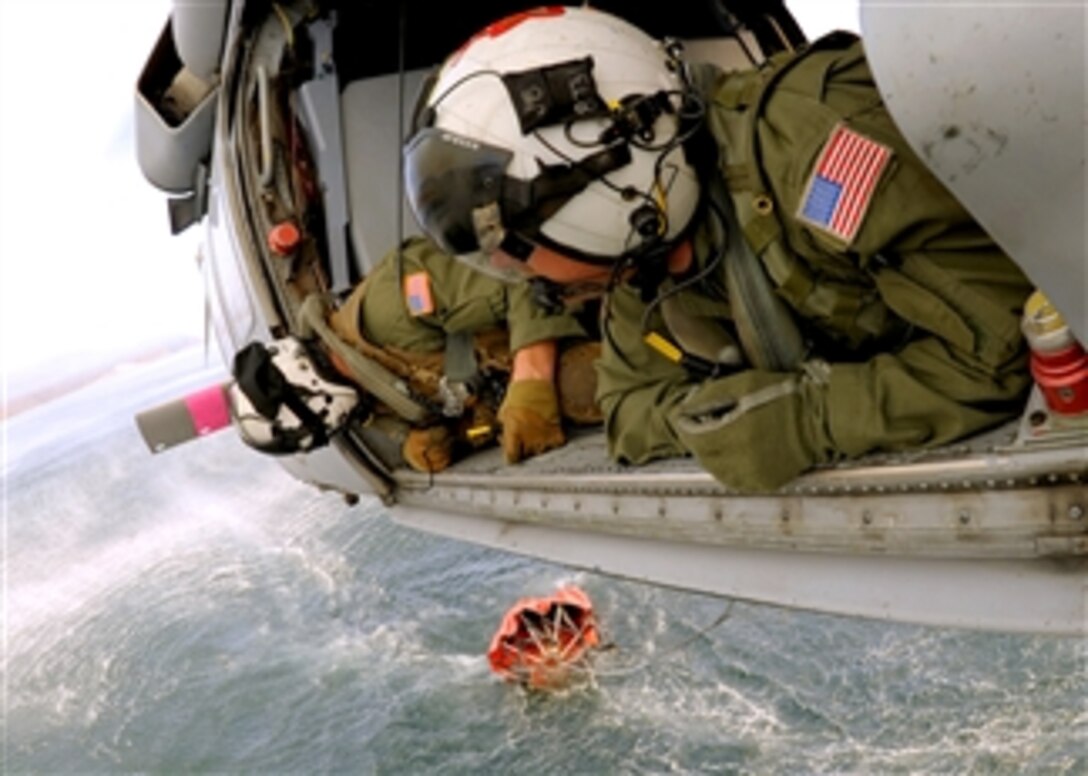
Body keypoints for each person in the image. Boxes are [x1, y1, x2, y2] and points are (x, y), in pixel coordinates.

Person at [400, 6, 1033, 491]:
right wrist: (723, 417)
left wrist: (808, 419)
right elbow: (628, 410)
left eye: (515, 245)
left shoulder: (815, 153)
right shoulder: (634, 267)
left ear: (607, 195)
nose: (513, 272)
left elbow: (997, 359)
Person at [328, 235, 602, 472]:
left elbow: (520, 268)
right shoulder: (365, 394)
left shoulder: (389, 309)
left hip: (564, 305)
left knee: (580, 387)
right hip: (506, 376)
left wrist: (532, 379)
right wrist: (437, 437)